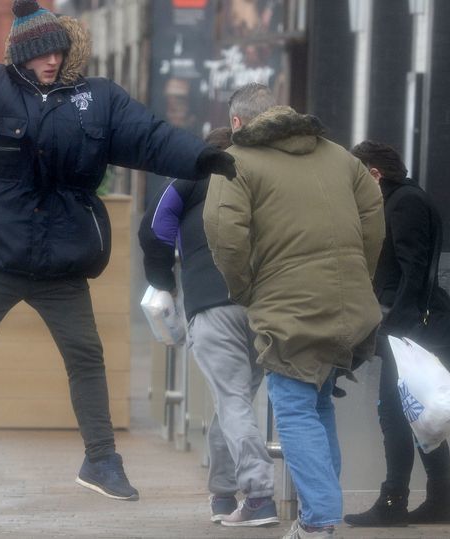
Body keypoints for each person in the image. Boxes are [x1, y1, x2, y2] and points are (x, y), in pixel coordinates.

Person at [0, 0, 236, 501]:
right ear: (22, 54)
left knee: (86, 357)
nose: (52, 59)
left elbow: (150, 137)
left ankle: (102, 461)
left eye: (59, 50)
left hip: (61, 257)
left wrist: (202, 157)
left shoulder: (99, 99)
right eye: (42, 52)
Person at [202, 83, 385, 539]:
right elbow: (374, 218)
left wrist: (244, 289)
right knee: (318, 401)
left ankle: (319, 519)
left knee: (294, 409)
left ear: (238, 123)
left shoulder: (238, 163)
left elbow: (224, 233)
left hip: (288, 305)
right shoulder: (340, 156)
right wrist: (358, 276)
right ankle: (318, 509)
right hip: (348, 303)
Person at [138, 127, 278, 528]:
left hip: (212, 304)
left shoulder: (190, 178)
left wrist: (164, 283)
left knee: (232, 401)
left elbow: (153, 230)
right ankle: (221, 493)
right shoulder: (263, 179)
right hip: (265, 305)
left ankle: (259, 496)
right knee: (234, 402)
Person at [343, 141, 450, 526]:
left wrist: (397, 327)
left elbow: (413, 268)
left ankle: (393, 503)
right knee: (419, 413)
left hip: (406, 326)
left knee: (396, 412)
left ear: (374, 174)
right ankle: (441, 501)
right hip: (407, 323)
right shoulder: (404, 199)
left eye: (357, 179)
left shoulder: (403, 202)